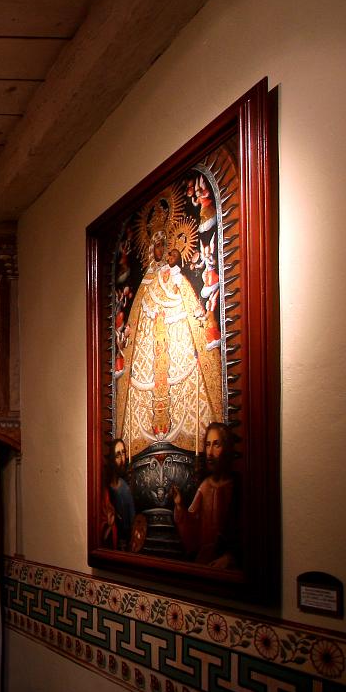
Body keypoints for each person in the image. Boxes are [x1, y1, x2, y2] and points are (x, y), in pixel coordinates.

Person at [114, 212, 223, 459]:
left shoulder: (175, 276)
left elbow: (188, 300)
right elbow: (135, 317)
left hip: (175, 336)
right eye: (156, 245)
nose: (160, 250)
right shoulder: (147, 281)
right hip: (150, 347)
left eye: (163, 245)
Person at [172, 422, 238, 568]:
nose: (210, 452)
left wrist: (230, 557)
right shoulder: (205, 486)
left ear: (226, 448)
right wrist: (179, 505)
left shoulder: (237, 486)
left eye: (216, 445)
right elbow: (191, 527)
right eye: (208, 445)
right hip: (204, 562)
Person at [105, 439, 135, 550]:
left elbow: (132, 522)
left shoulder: (125, 489)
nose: (122, 459)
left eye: (123, 453)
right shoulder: (105, 488)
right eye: (118, 455)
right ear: (111, 459)